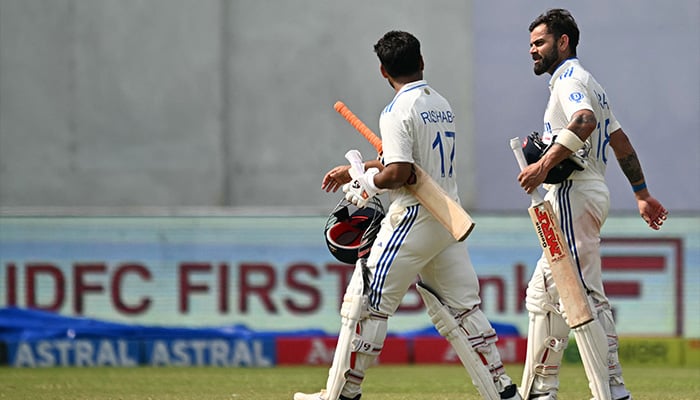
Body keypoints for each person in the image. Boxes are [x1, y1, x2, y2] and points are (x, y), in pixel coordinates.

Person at [294, 30, 521, 400]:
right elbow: (407, 163)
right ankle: (503, 389)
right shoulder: (440, 102)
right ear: (421, 62)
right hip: (446, 216)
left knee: (364, 302)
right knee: (464, 309)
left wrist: (367, 183)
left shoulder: (396, 110)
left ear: (383, 71)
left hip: (414, 215)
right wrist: (356, 171)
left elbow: (399, 173)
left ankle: (342, 394)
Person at [516, 9, 669, 400]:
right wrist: (640, 192)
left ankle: (612, 390)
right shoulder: (590, 82)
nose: (532, 50)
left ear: (562, 42)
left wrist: (542, 165)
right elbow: (620, 141)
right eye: (531, 43)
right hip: (587, 190)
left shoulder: (569, 79)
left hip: (573, 190)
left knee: (581, 293)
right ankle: (539, 390)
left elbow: (584, 121)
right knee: (543, 294)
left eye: (539, 43)